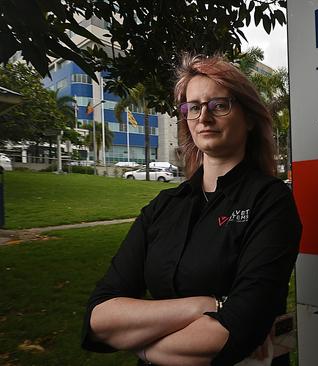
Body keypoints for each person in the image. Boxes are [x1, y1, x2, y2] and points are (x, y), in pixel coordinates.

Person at [81, 54, 302, 366]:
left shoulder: (270, 201)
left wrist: (144, 348)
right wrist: (204, 305)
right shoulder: (163, 207)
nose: (204, 118)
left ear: (250, 118)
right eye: (194, 107)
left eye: (219, 105)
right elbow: (100, 316)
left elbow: (232, 331)